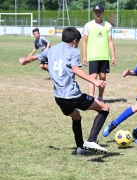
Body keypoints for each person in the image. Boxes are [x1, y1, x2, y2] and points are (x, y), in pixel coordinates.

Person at [18, 27, 110, 155]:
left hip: (59, 97)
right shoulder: (73, 51)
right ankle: (91, 140)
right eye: (77, 42)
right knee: (104, 108)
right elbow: (75, 69)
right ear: (73, 41)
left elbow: (34, 58)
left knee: (76, 117)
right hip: (72, 95)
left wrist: (24, 60)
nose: (77, 45)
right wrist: (94, 81)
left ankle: (80, 148)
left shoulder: (51, 50)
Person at [82, 3, 116, 102]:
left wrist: (113, 56)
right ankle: (91, 98)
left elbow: (110, 41)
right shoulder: (88, 25)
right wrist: (84, 56)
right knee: (93, 76)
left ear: (103, 13)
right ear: (93, 12)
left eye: (99, 12)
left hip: (104, 56)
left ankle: (100, 97)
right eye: (96, 12)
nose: (98, 13)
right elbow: (84, 41)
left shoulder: (108, 26)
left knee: (102, 77)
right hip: (92, 56)